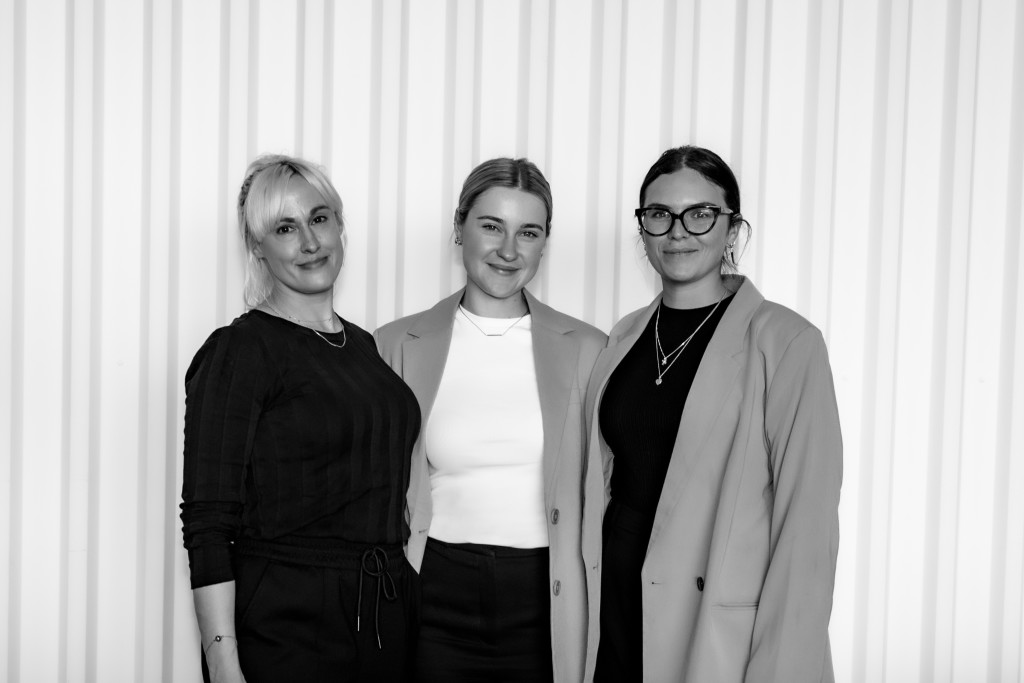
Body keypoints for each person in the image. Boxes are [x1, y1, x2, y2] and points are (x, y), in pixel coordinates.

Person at [581, 145, 842, 682]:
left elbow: (807, 531)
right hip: (616, 613)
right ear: (643, 229)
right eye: (660, 214)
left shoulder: (786, 343)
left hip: (715, 628)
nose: (678, 231)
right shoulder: (623, 337)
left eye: (700, 214)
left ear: (732, 229)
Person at [180, 155, 421, 682]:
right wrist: (222, 662)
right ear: (257, 246)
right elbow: (207, 522)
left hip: (383, 614)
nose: (310, 242)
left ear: (339, 226)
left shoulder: (363, 347)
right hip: (288, 625)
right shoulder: (240, 351)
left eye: (319, 218)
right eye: (285, 228)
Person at [375, 158, 606, 682]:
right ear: (459, 228)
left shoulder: (589, 350)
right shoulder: (395, 345)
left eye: (528, 232)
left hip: (546, 600)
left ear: (545, 242)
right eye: (491, 226)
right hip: (433, 593)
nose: (508, 250)